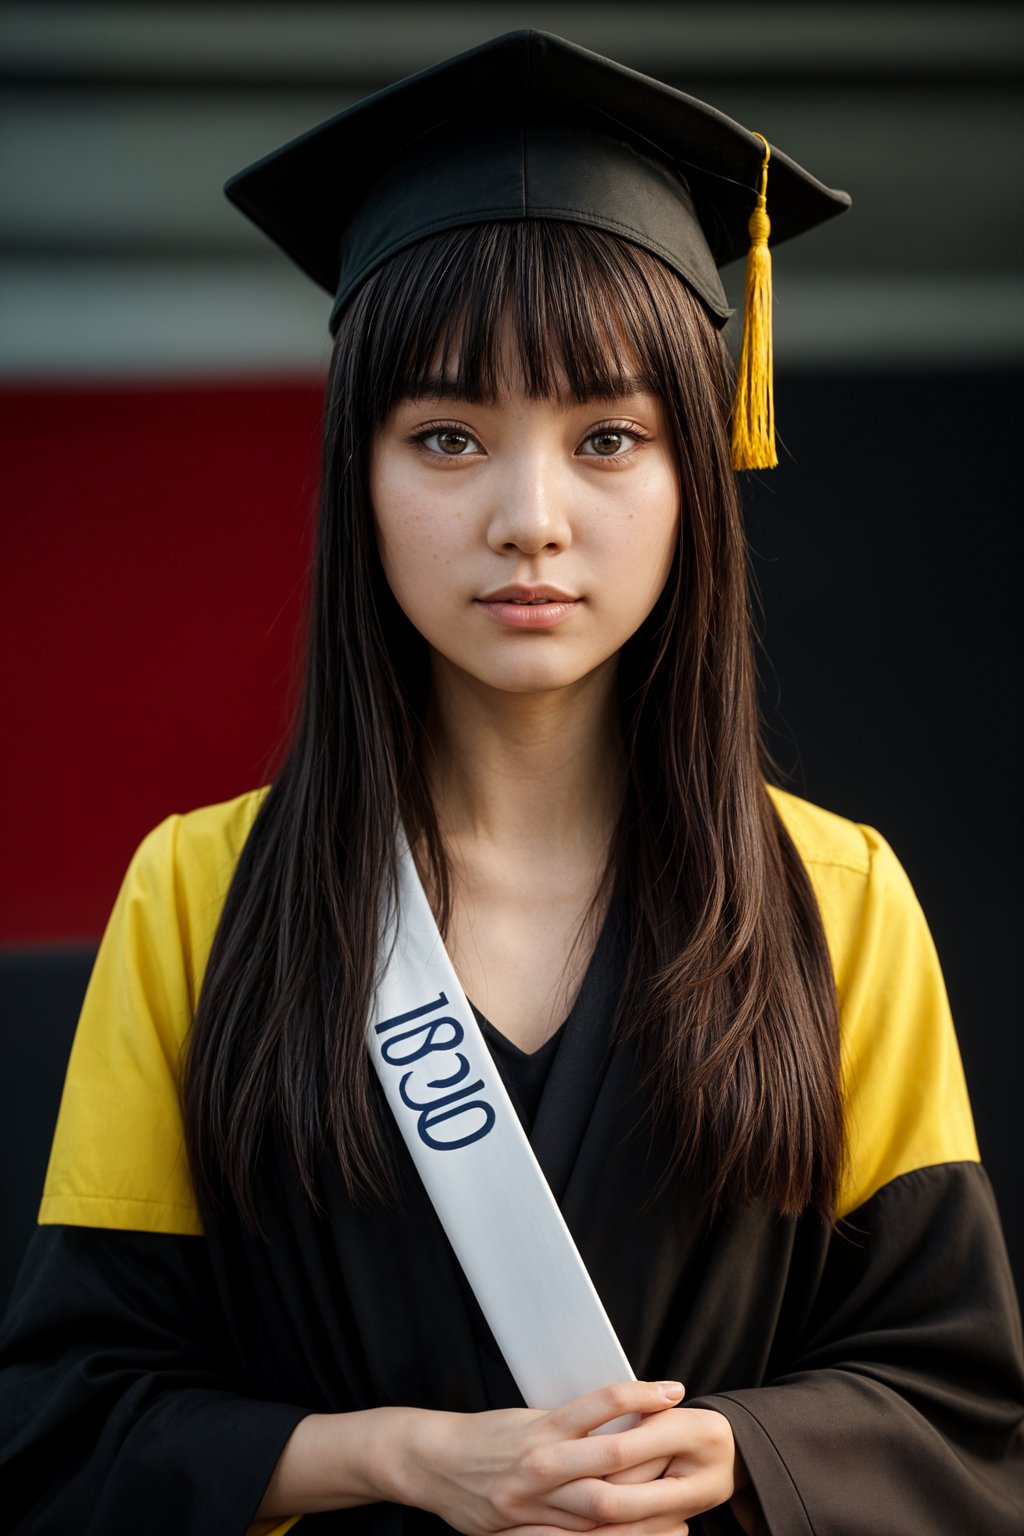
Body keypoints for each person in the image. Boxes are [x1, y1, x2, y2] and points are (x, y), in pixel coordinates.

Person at [1, 29, 1021, 1536]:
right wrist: (401, 1458)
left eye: (608, 436)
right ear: (360, 479)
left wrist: (740, 1455)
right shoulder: (201, 896)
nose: (528, 518)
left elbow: (956, 1407)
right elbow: (70, 1424)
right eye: (448, 435)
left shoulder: (839, 902)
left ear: (696, 477)